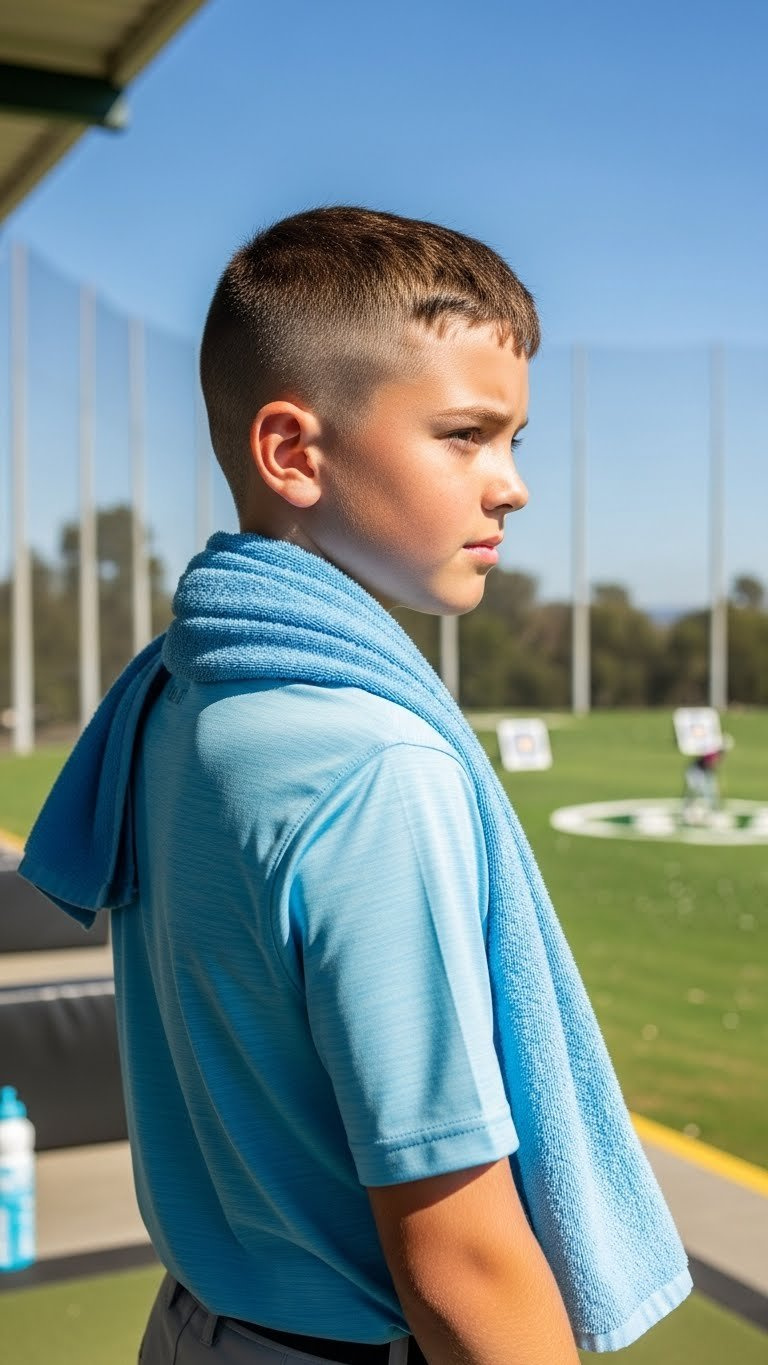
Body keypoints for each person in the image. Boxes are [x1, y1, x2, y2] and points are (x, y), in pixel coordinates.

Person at [21, 207, 691, 1363]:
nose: (511, 486)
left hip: (192, 1329)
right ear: (293, 452)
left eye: (516, 440)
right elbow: (459, 1257)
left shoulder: (180, 700)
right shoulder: (376, 769)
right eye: (467, 436)